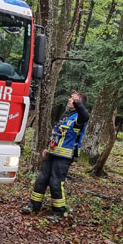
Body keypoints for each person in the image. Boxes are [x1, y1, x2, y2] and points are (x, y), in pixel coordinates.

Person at [22, 91, 89, 221]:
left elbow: (85, 116)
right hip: (53, 154)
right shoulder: (66, 116)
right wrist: (48, 149)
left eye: (73, 99)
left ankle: (58, 211)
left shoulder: (78, 118)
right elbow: (58, 135)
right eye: (70, 98)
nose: (70, 100)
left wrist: (78, 103)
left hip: (64, 157)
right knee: (41, 179)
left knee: (55, 183)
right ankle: (33, 206)